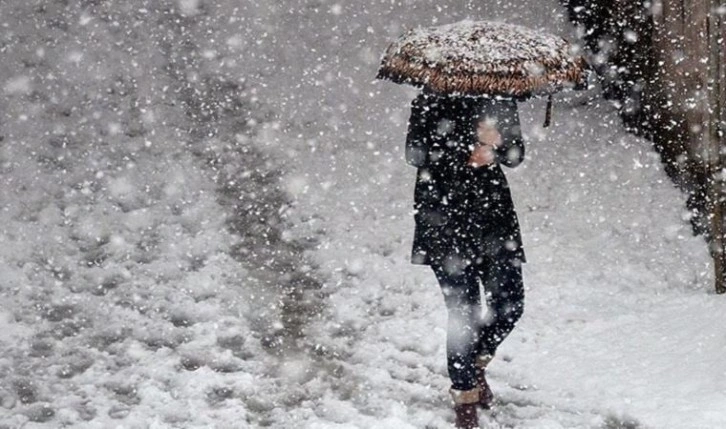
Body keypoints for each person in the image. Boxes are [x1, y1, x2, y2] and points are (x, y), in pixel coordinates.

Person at [405, 90, 526, 429]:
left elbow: (516, 155)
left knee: (510, 303)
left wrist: (497, 145)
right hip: (444, 218)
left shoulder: (500, 100)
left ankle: (473, 364)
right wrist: (467, 147)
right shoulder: (429, 100)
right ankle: (465, 397)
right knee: (464, 313)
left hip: (494, 219)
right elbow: (415, 154)